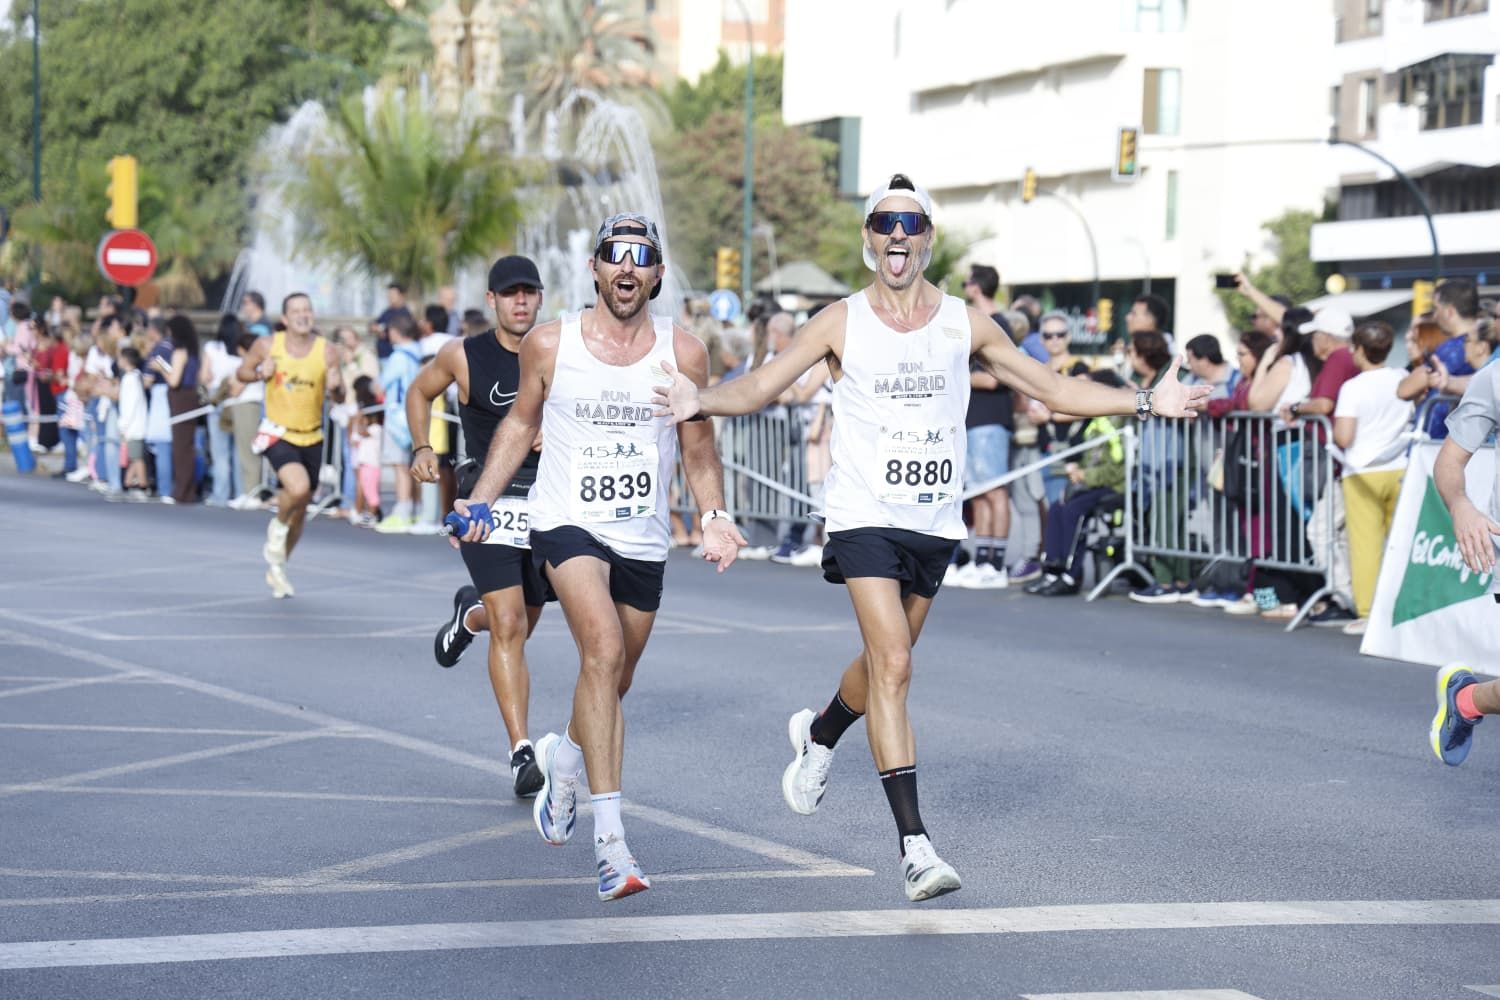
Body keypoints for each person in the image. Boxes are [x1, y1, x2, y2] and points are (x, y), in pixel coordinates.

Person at [653, 174, 1208, 901]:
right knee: (893, 664)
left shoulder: (963, 323)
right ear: (868, 240)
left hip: (932, 524)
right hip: (862, 518)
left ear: (927, 240)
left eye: (910, 225)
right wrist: (704, 399)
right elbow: (763, 387)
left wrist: (1145, 400)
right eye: (884, 223)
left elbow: (1050, 388)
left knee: (889, 661)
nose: (897, 235)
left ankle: (820, 736)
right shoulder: (840, 321)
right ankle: (915, 846)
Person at [454, 213, 745, 901]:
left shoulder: (685, 352)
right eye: (616, 256)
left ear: (656, 275)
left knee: (614, 679)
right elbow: (521, 422)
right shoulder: (551, 344)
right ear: (594, 268)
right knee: (603, 646)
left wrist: (715, 517)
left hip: (640, 534)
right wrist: (482, 500)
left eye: (641, 258)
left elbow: (700, 449)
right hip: (565, 524)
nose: (627, 268)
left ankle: (566, 761)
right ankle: (611, 843)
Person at [407, 255, 553, 797]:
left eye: (528, 293)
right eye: (509, 293)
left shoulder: (561, 352)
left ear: (540, 298)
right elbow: (419, 392)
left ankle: (469, 619)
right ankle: (521, 753)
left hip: (546, 505)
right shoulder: (463, 355)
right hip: (486, 505)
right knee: (511, 624)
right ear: (491, 300)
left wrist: (553, 431)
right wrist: (423, 447)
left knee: (519, 623)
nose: (520, 302)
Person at [236, 293, 345, 598]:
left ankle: (279, 564)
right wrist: (260, 373)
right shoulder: (268, 345)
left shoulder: (327, 351)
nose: (302, 315)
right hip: (278, 432)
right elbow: (241, 373)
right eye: (295, 311)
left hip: (312, 435)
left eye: (307, 310)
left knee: (302, 509)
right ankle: (277, 526)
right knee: (296, 489)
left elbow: (340, 396)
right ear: (285, 319)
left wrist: (337, 387)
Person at [1428, 357, 1500, 766]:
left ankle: (1467, 699)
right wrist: (1461, 506)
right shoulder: (1494, 378)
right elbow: (1450, 461)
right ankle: (1465, 699)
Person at [1331, 321, 1413, 636]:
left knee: (1365, 545)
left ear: (1359, 349)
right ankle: (1399, 606)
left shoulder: (1353, 387)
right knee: (1399, 542)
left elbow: (1344, 435)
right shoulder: (1401, 377)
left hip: (1362, 471)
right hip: (1400, 465)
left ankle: (1368, 612)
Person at [1025, 369, 1128, 596]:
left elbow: (1116, 470)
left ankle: (1071, 575)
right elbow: (1090, 457)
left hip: (1111, 486)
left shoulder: (1115, 424)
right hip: (1091, 483)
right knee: (1056, 508)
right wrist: (1077, 470)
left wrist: (1084, 475)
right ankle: (1052, 569)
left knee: (1073, 511)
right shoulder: (1096, 421)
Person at [953, 264, 1015, 589]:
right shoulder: (969, 323)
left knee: (995, 491)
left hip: (991, 420)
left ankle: (997, 562)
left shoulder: (998, 324)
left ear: (976, 287)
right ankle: (982, 558)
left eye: (967, 282)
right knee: (977, 493)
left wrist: (960, 376)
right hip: (972, 420)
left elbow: (996, 378)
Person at [376, 314, 423, 532]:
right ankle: (415, 508)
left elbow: (382, 384)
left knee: (400, 466)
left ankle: (402, 511)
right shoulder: (418, 353)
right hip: (415, 415)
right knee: (413, 466)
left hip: (397, 417)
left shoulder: (398, 357)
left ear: (396, 332)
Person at [162, 315, 203, 504]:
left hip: (180, 398)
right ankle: (188, 490)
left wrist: (161, 368)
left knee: (181, 447)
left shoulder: (180, 352)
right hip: (191, 396)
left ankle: (182, 490)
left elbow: (174, 379)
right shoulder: (194, 352)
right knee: (187, 445)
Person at [349, 375, 384, 526]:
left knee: (369, 489)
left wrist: (358, 420)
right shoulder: (363, 413)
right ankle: (364, 511)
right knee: (365, 486)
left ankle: (370, 513)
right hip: (363, 459)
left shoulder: (375, 428)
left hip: (371, 462)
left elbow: (362, 432)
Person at [117, 346, 150, 501]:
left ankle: (143, 486)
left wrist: (123, 426)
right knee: (134, 456)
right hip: (137, 424)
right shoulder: (136, 377)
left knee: (137, 458)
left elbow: (128, 405)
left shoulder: (129, 379)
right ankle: (128, 483)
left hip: (133, 426)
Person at [372, 283, 413, 360]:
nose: (390, 297)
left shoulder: (404, 314)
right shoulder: (387, 311)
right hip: (383, 355)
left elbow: (402, 333)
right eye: (389, 295)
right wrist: (376, 329)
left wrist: (383, 331)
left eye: (393, 295)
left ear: (401, 295)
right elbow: (373, 325)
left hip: (394, 355)